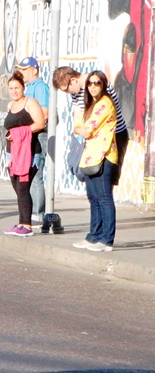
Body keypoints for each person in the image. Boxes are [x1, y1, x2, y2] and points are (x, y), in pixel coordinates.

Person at [53, 66, 128, 185]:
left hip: (112, 136)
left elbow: (105, 112)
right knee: (93, 179)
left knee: (106, 180)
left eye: (66, 89)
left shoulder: (97, 83)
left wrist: (81, 129)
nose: (68, 93)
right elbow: (78, 115)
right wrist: (77, 130)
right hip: (91, 138)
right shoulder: (76, 92)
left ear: (73, 80)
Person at [72, 71, 118, 251]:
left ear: (103, 85)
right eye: (90, 83)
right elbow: (77, 126)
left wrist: (78, 128)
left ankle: (106, 240)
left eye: (97, 83)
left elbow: (87, 129)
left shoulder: (105, 103)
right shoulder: (91, 104)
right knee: (93, 198)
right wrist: (78, 128)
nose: (92, 86)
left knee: (104, 198)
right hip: (90, 156)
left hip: (104, 156)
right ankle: (94, 236)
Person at [2, 71, 46, 237]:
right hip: (12, 152)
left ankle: (27, 225)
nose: (14, 91)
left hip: (30, 152)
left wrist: (18, 133)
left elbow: (40, 124)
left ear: (23, 88)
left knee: (23, 187)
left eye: (17, 88)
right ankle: (21, 223)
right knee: (17, 188)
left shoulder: (30, 103)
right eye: (11, 88)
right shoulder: (10, 105)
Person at [15, 56, 49, 225]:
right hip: (29, 135)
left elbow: (45, 114)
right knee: (29, 174)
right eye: (20, 69)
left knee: (36, 174)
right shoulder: (29, 88)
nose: (21, 72)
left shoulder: (40, 87)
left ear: (34, 70)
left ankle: (37, 213)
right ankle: (32, 211)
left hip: (38, 135)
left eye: (24, 69)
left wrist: (28, 128)